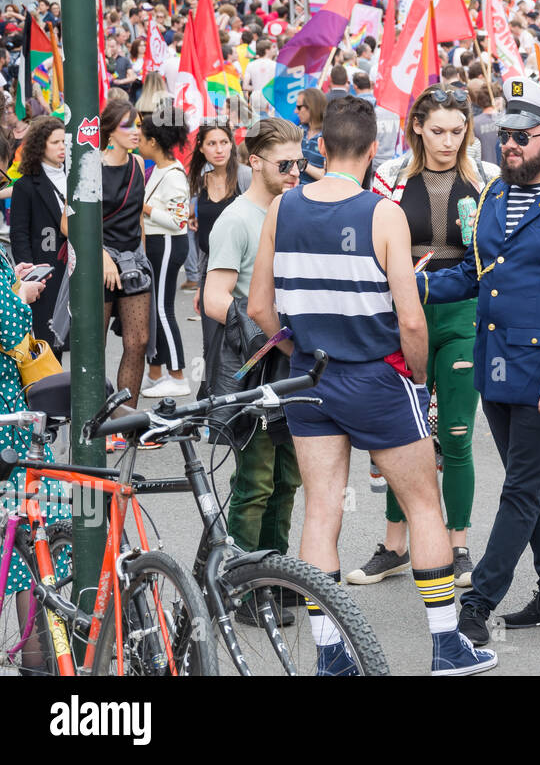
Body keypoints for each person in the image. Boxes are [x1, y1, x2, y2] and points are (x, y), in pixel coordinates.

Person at [248, 95, 497, 676]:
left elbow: (260, 307)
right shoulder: (382, 213)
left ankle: (331, 655)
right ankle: (445, 645)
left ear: (321, 145)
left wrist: (300, 351)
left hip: (311, 376)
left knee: (320, 513)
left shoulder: (282, 210)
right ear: (372, 149)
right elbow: (412, 319)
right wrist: (415, 373)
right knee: (424, 506)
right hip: (379, 374)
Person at [417, 77, 540, 649]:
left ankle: (476, 604)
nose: (510, 146)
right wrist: (416, 287)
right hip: (494, 363)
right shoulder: (498, 192)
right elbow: (478, 274)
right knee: (535, 481)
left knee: (521, 487)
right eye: (505, 136)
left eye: (522, 137)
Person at [356, 85, 496, 588]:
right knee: (402, 434)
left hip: (464, 314)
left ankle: (458, 546)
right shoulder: (388, 178)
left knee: (456, 433)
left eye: (458, 131)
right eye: (438, 130)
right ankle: (395, 545)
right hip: (402, 312)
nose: (449, 141)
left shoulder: (488, 178)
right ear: (417, 126)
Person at [204, 116, 304, 583]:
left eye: (300, 162)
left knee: (287, 479)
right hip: (257, 364)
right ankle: (242, 585)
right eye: (285, 163)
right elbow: (214, 298)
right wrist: (263, 325)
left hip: (292, 361)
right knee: (256, 481)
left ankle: (274, 578)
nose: (295, 171)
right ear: (256, 161)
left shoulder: (296, 207)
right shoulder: (237, 219)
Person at [0, 249, 64, 671]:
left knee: (25, 537)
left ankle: (38, 661)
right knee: (38, 532)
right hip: (7, 426)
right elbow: (9, 327)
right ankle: (38, 663)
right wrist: (18, 296)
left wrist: (11, 280)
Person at [90, 98, 151, 409]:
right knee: (93, 347)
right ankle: (93, 419)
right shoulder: (90, 166)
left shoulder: (138, 164)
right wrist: (100, 256)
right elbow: (66, 221)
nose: (136, 131)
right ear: (110, 132)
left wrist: (140, 253)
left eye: (138, 125)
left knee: (138, 342)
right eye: (128, 125)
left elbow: (138, 217)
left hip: (133, 261)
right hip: (98, 263)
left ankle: (126, 421)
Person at [139, 101, 192, 402]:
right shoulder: (162, 169)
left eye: (143, 137)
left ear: (154, 142)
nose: (139, 141)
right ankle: (157, 371)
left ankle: (178, 375)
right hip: (160, 244)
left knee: (162, 309)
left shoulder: (172, 174)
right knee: (155, 309)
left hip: (168, 243)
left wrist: (143, 206)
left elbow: (176, 219)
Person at [187, 119, 250, 375]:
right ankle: (213, 407)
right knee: (211, 347)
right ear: (201, 148)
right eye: (212, 144)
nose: (219, 149)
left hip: (243, 274)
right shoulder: (201, 181)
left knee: (244, 344)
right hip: (211, 273)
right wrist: (201, 286)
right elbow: (203, 238)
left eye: (224, 142)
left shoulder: (245, 176)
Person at [9, 116, 66, 356]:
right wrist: (30, 274)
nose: (62, 147)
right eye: (55, 142)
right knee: (48, 341)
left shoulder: (78, 177)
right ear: (40, 146)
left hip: (76, 269)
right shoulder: (26, 186)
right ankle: (52, 391)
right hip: (47, 270)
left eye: (65, 142)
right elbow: (19, 234)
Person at [296, 87, 328, 181]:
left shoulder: (329, 137)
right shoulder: (299, 130)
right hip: (294, 192)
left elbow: (327, 176)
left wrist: (300, 163)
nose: (296, 111)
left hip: (316, 194)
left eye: (299, 107)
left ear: (311, 108)